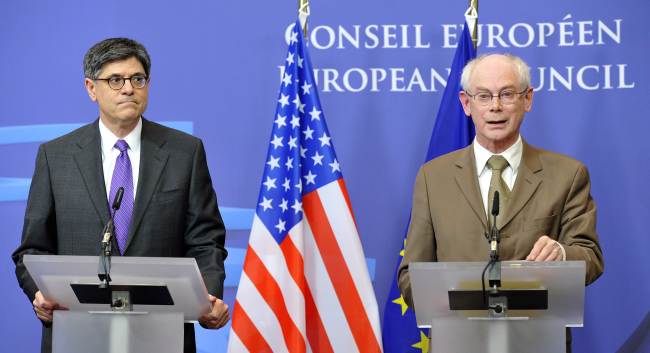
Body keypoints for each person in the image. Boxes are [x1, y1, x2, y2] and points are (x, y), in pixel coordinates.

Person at [12, 37, 229, 353]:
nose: (129, 88)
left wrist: (207, 297)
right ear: (91, 88)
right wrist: (39, 295)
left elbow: (205, 239)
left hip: (162, 332)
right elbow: (32, 248)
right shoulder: (55, 156)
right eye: (115, 80)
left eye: (137, 79)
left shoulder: (185, 152)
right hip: (77, 333)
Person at [397, 53, 604, 351]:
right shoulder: (433, 177)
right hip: (459, 344)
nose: (495, 106)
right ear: (467, 104)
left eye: (507, 94)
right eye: (483, 96)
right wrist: (454, 305)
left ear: (527, 99)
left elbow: (591, 257)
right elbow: (411, 274)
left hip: (538, 343)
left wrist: (561, 254)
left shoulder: (568, 175)